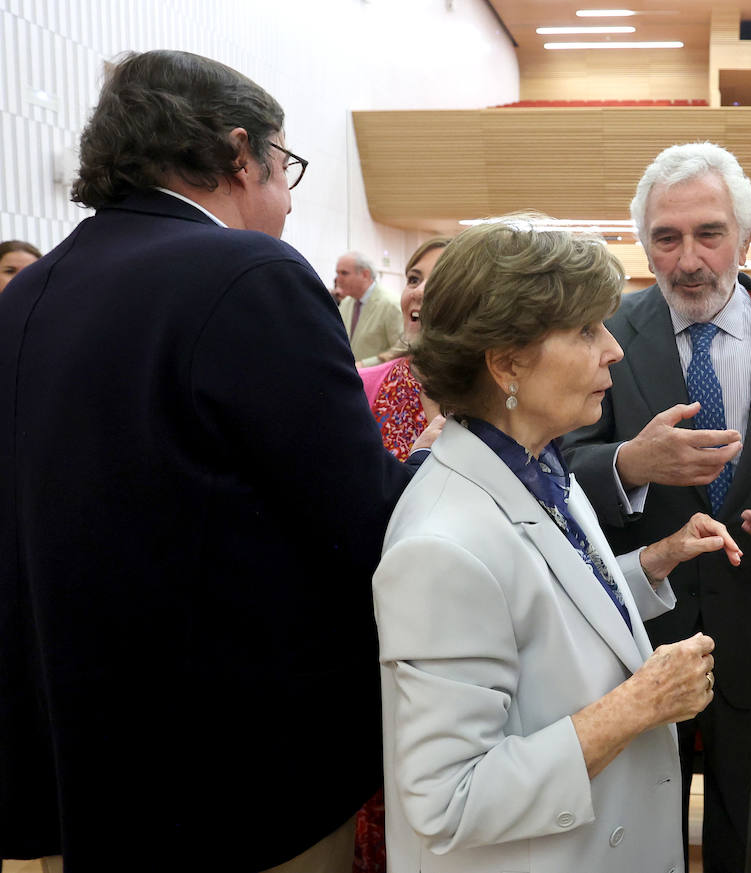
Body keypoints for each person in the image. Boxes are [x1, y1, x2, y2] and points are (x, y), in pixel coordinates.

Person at [0, 50, 436, 872]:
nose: (289, 193)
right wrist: (437, 461)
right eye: (286, 165)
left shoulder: (30, 291)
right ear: (241, 153)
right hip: (233, 775)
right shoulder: (247, 273)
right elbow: (361, 516)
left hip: (75, 760)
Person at [373, 216, 739, 873]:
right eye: (584, 330)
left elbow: (543, 610)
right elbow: (448, 801)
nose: (614, 350)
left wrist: (651, 561)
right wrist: (640, 703)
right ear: (507, 360)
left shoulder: (536, 463)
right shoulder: (441, 546)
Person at [562, 142, 751, 873]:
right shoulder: (602, 335)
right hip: (635, 628)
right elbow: (559, 469)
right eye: (667, 237)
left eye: (708, 233)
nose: (688, 258)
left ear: (745, 237)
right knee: (633, 820)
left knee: (746, 821)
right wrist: (630, 462)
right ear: (645, 244)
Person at [357, 236, 451, 462]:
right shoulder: (362, 386)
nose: (418, 292)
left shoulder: (495, 396)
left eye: (440, 281)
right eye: (413, 279)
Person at [336, 250, 404, 367]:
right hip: (348, 377)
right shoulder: (346, 304)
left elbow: (401, 350)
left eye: (344, 273)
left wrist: (364, 365)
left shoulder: (391, 304)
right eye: (337, 273)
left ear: (365, 275)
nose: (338, 279)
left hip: (377, 379)